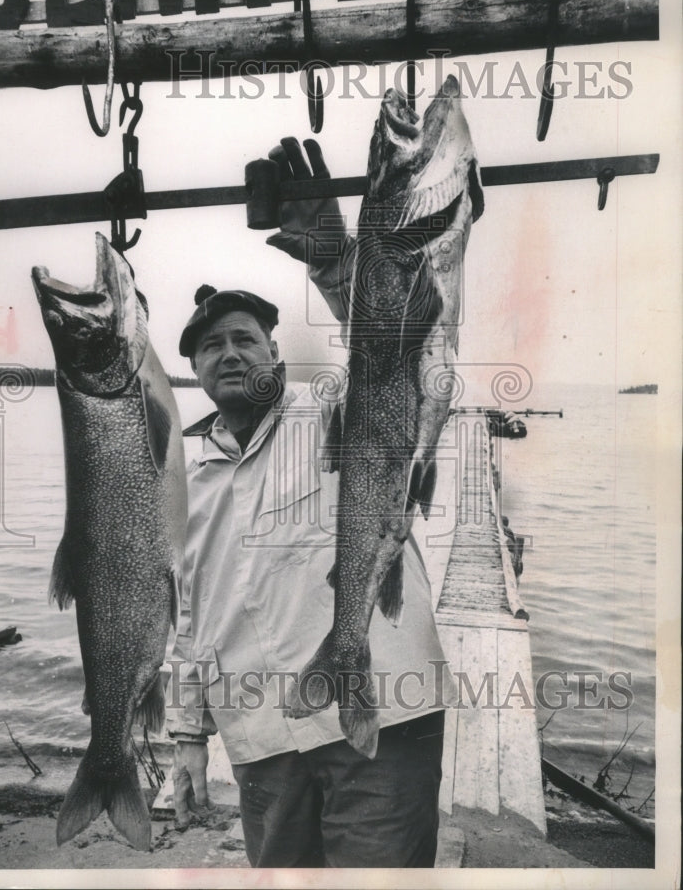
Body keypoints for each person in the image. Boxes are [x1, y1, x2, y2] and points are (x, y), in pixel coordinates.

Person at [166, 138, 454, 868]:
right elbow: (191, 621)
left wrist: (334, 259)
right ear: (195, 371)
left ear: (276, 357)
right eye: (209, 347)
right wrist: (188, 740)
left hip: (384, 719)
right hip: (262, 742)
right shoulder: (187, 480)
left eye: (245, 340)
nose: (228, 354)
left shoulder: (330, 411)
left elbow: (396, 353)